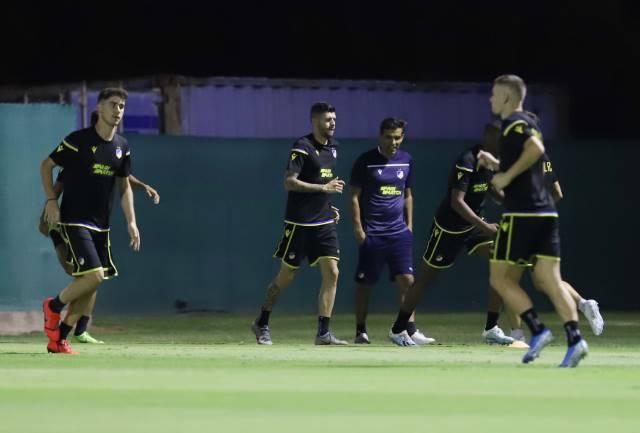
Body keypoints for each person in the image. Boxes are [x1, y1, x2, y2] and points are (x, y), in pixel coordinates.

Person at [481, 74, 588, 367]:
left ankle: (538, 329)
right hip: (546, 213)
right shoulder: (529, 122)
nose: (490, 99)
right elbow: (529, 161)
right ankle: (576, 339)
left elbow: (535, 150)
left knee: (499, 278)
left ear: (507, 97)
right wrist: (497, 165)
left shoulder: (514, 123)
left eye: (494, 94)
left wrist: (504, 176)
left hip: (522, 213)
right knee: (550, 280)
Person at [388, 122, 516, 346]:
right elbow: (457, 202)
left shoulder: (492, 162)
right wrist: (484, 226)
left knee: (501, 262)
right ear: (488, 135)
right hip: (449, 227)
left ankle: (491, 328)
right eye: (501, 136)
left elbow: (492, 190)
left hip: (473, 225)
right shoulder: (467, 160)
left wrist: (513, 204)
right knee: (426, 280)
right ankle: (398, 330)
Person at [41, 87, 140, 354]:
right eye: (113, 105)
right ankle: (53, 306)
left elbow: (124, 187)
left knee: (92, 283)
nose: (118, 110)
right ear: (99, 108)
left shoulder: (122, 147)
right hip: (75, 220)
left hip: (101, 225)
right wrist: (51, 201)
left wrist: (131, 222)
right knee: (94, 276)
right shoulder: (78, 140)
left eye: (121, 106)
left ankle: (59, 339)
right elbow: (46, 166)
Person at [251, 102, 347, 345]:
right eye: (327, 119)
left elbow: (322, 183)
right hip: (300, 223)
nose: (332, 123)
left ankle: (323, 333)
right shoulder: (302, 147)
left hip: (324, 221)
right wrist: (323, 189)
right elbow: (289, 182)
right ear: (315, 121)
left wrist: (327, 205)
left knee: (332, 272)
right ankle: (262, 322)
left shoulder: (334, 148)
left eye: (334, 119)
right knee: (287, 276)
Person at [350, 118, 433, 345]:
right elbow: (354, 197)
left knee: (407, 280)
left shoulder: (406, 160)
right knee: (365, 284)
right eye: (389, 137)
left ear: (402, 137)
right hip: (373, 234)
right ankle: (361, 331)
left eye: (397, 137)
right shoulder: (365, 161)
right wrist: (359, 229)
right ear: (380, 136)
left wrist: (409, 226)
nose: (393, 142)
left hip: (399, 233)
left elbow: (408, 196)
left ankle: (409, 329)